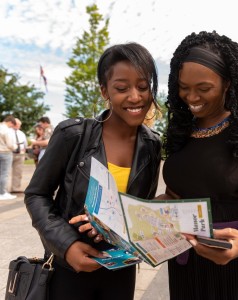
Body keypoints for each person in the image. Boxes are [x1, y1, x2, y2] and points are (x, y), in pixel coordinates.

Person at [24, 42, 161, 300]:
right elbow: (36, 195)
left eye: (143, 87)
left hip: (121, 270)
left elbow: (142, 207)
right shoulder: (73, 135)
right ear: (104, 91)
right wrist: (67, 245)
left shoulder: (152, 145)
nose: (135, 97)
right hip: (69, 268)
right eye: (122, 88)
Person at [161, 31, 238, 299]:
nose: (191, 97)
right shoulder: (181, 129)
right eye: (183, 87)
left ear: (227, 83)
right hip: (188, 262)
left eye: (204, 88)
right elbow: (176, 195)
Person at [0, 115, 17, 200]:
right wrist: (15, 146)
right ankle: (2, 193)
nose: (12, 127)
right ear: (10, 122)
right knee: (4, 174)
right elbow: (10, 145)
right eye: (12, 125)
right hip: (5, 153)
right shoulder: (6, 130)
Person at [11, 118, 28, 193]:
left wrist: (24, 150)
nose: (19, 126)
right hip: (10, 153)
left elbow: (25, 144)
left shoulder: (21, 133)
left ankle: (15, 188)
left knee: (18, 172)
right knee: (5, 173)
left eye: (19, 125)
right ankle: (2, 190)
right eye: (18, 124)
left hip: (20, 154)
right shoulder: (7, 132)